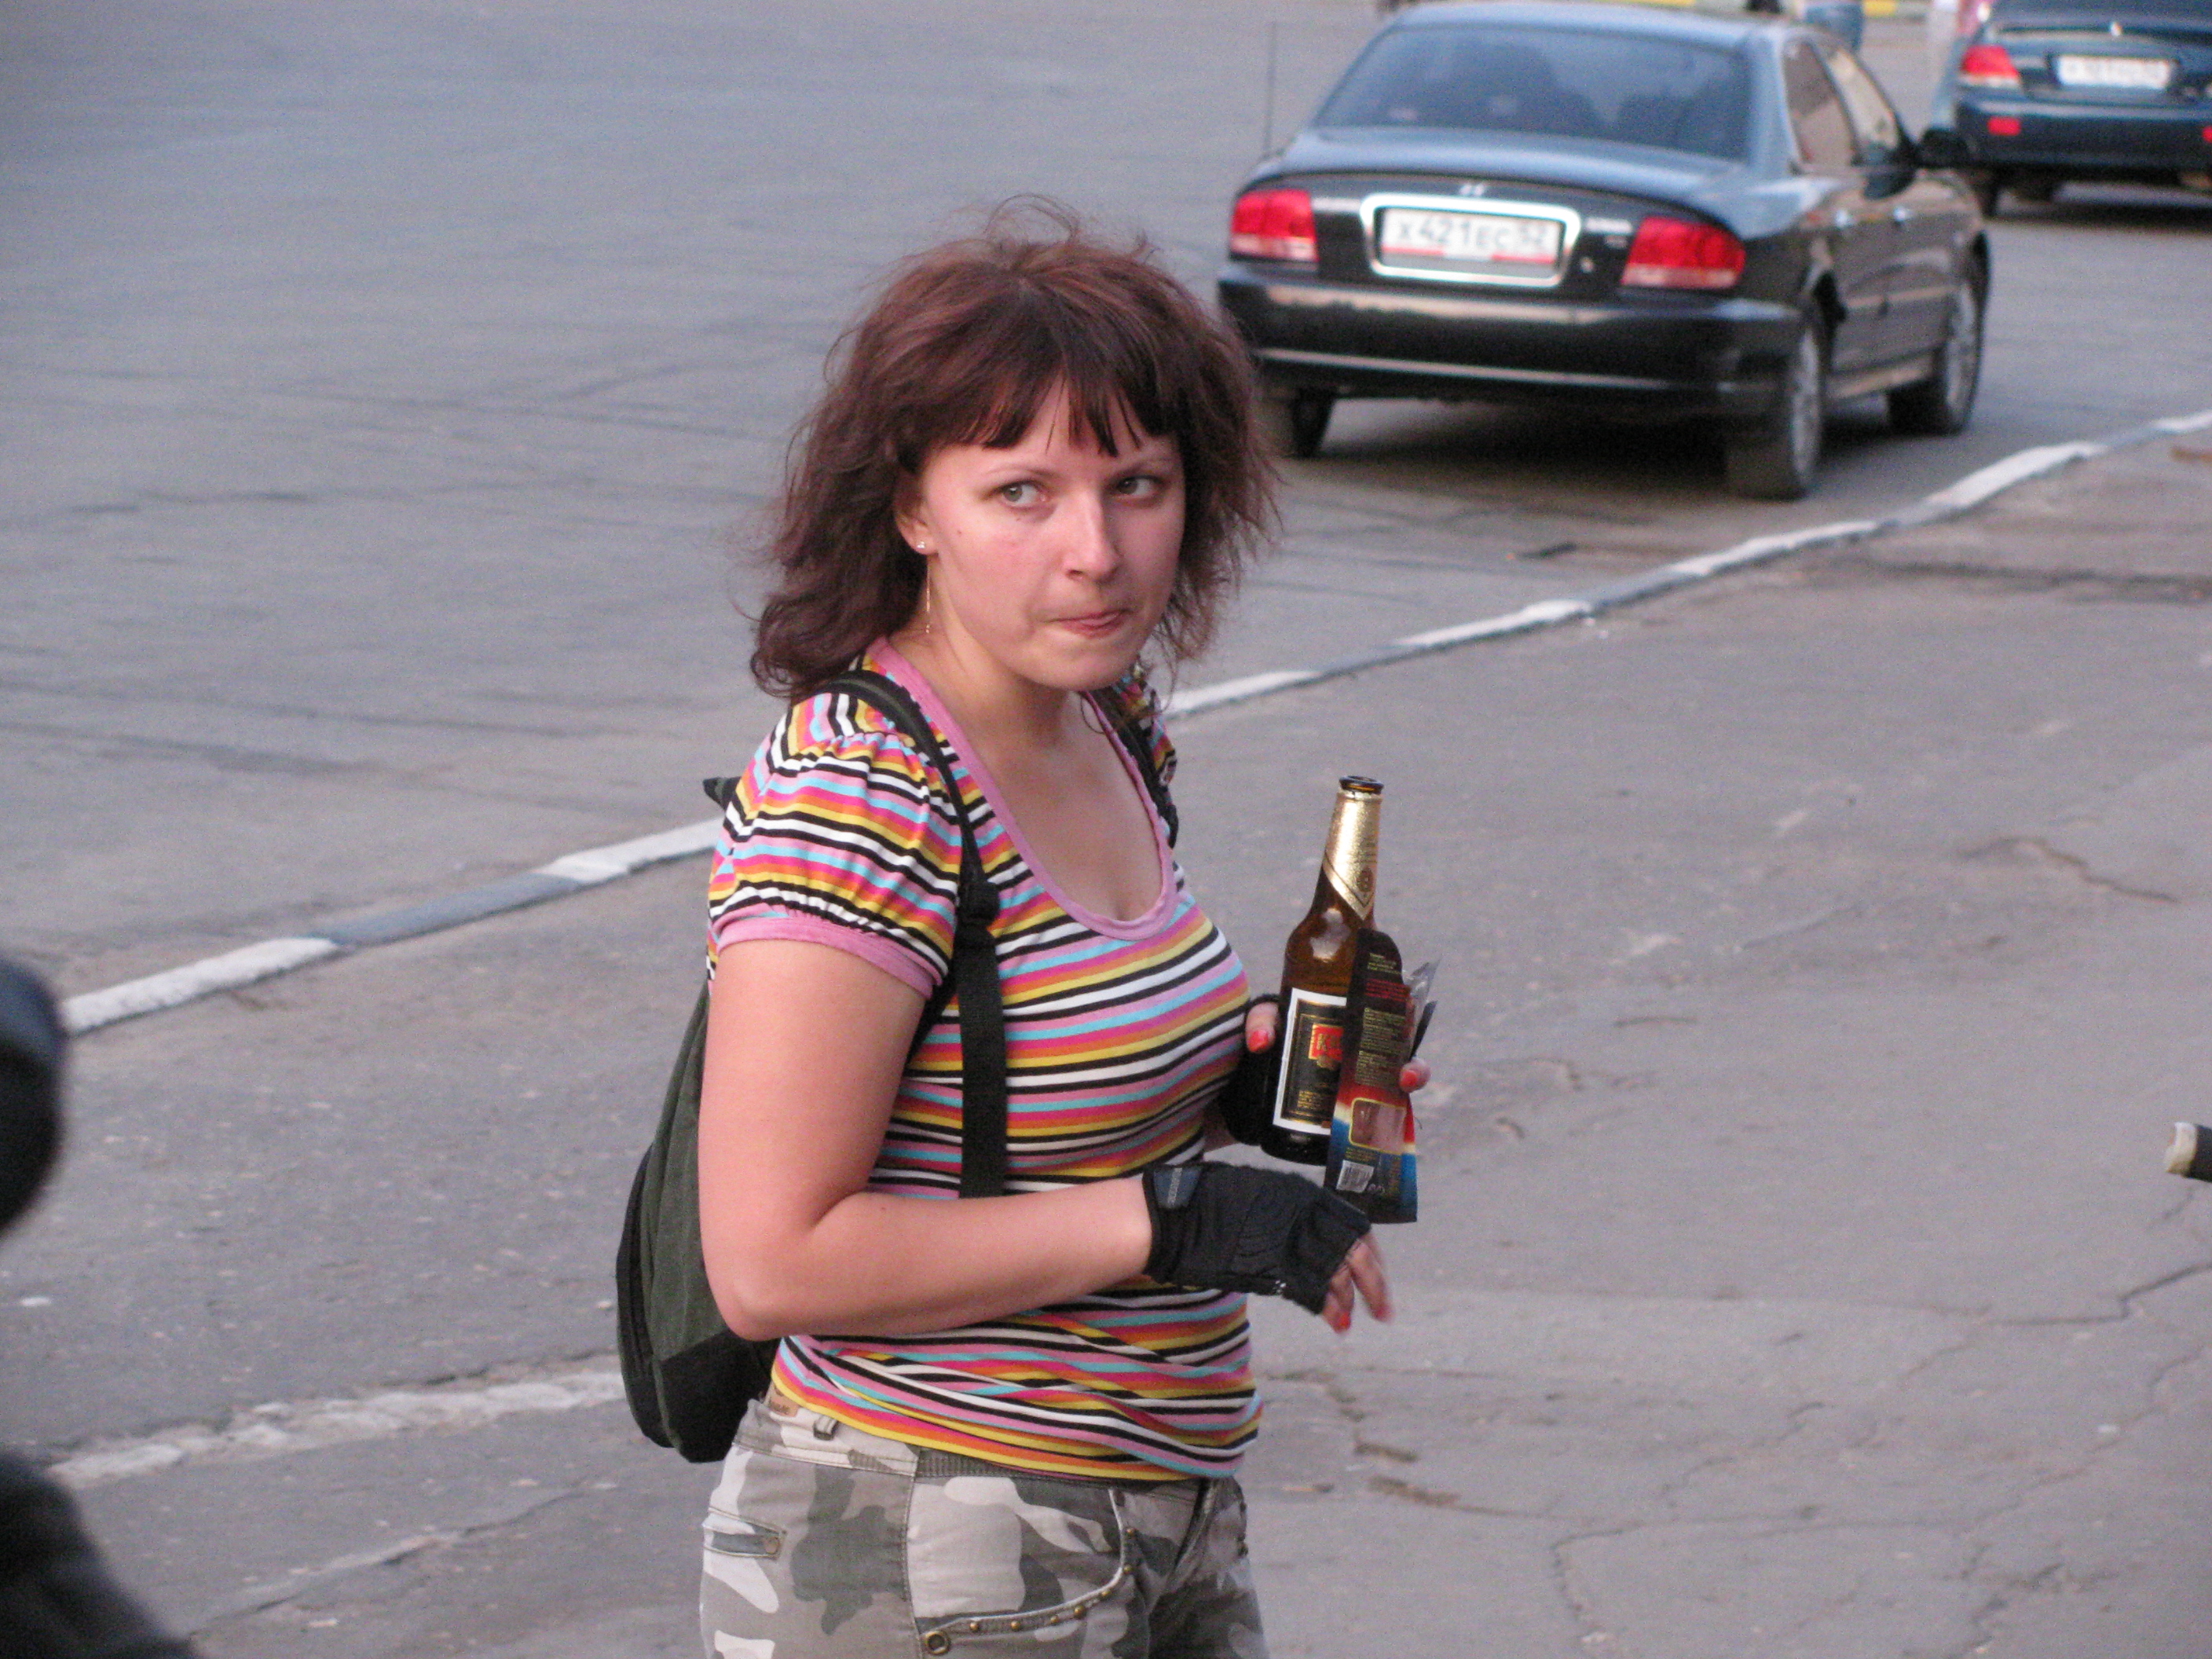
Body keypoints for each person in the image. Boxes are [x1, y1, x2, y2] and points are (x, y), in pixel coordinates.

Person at [694, 203, 1419, 1659]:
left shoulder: (1107, 720)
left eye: (1137, 485)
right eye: (1021, 492)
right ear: (913, 507)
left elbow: (1032, 1068)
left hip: (1156, 1509)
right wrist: (1178, 1220)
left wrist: (1248, 1089)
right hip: (931, 1536)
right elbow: (771, 1262)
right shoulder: (864, 790)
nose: (1095, 552)